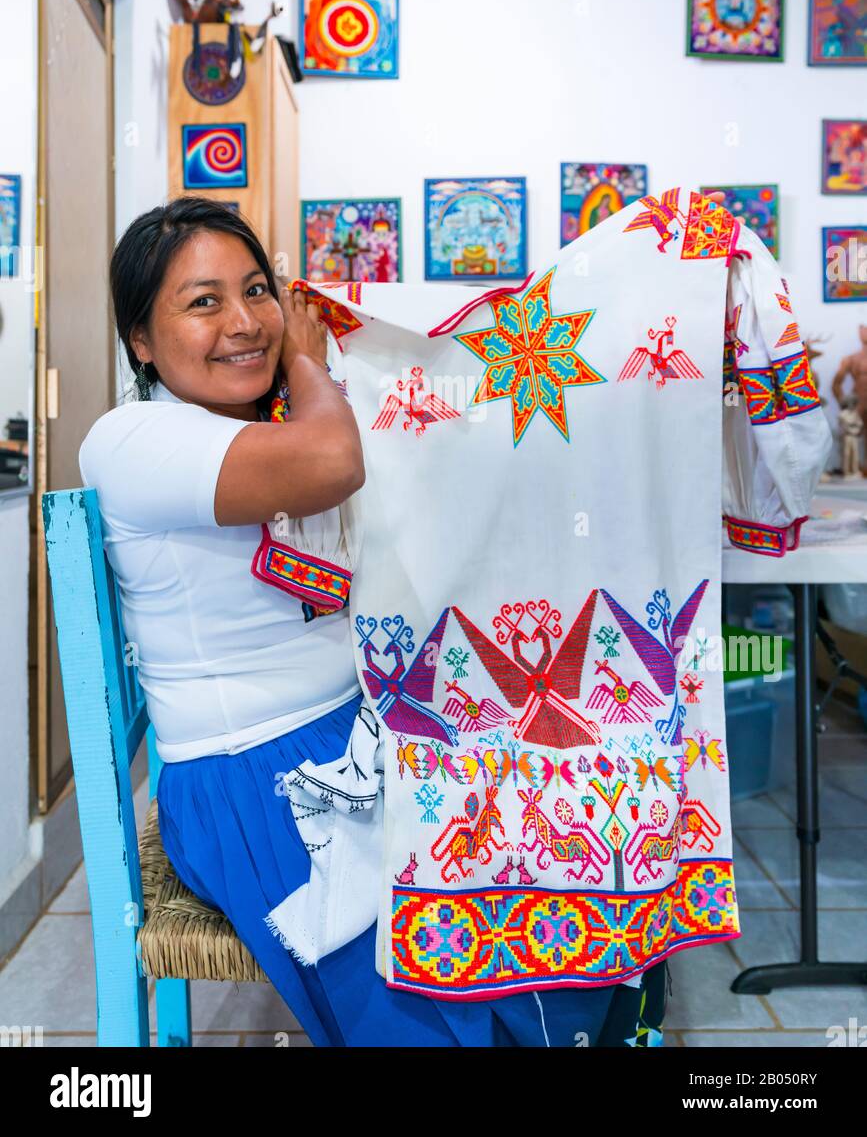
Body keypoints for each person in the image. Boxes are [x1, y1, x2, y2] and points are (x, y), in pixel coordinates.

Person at [79, 195, 668, 1047]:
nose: (246, 323)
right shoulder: (132, 439)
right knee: (439, 1000)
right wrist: (310, 362)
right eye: (203, 302)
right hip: (256, 779)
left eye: (256, 292)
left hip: (358, 736)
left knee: (585, 842)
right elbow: (332, 461)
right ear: (140, 339)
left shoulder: (258, 425)